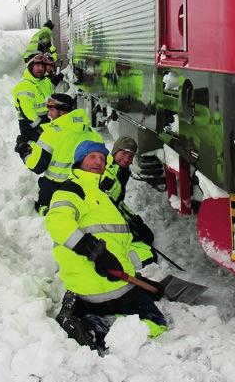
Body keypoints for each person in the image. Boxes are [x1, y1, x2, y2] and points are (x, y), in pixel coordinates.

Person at [45, 140, 167, 351]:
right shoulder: (71, 189)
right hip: (105, 285)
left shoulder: (99, 195)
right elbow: (57, 222)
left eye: (102, 158)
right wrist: (95, 252)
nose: (98, 162)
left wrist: (138, 281)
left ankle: (81, 311)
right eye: (92, 156)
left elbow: (115, 244)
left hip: (100, 281)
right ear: (80, 160)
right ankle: (94, 328)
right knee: (157, 323)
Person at [17, 93, 104, 215]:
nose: (49, 114)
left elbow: (37, 166)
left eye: (51, 110)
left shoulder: (52, 133)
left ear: (62, 111)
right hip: (84, 187)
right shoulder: (93, 133)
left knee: (43, 208)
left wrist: (24, 151)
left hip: (56, 188)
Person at [100, 136, 156, 267]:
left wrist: (134, 219)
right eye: (123, 153)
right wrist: (126, 225)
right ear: (115, 151)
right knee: (149, 256)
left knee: (148, 237)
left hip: (111, 220)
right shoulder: (106, 173)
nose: (126, 159)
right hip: (102, 226)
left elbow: (117, 203)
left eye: (130, 156)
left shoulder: (120, 171)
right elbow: (103, 207)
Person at [12, 54, 54, 143]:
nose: (40, 69)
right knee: (39, 153)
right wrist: (39, 127)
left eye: (42, 66)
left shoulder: (46, 82)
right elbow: (27, 112)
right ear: (31, 67)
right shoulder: (23, 86)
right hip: (30, 126)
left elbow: (52, 101)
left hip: (46, 122)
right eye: (37, 66)